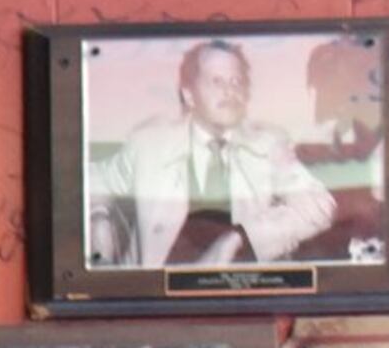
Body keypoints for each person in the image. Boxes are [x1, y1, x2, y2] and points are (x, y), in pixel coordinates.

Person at [86, 38, 335, 270]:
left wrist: (241, 237)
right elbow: (89, 180)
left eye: (236, 81)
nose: (229, 91)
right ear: (189, 95)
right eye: (216, 81)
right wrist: (99, 218)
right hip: (153, 302)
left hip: (234, 299)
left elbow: (320, 206)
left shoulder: (268, 145)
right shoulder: (148, 145)